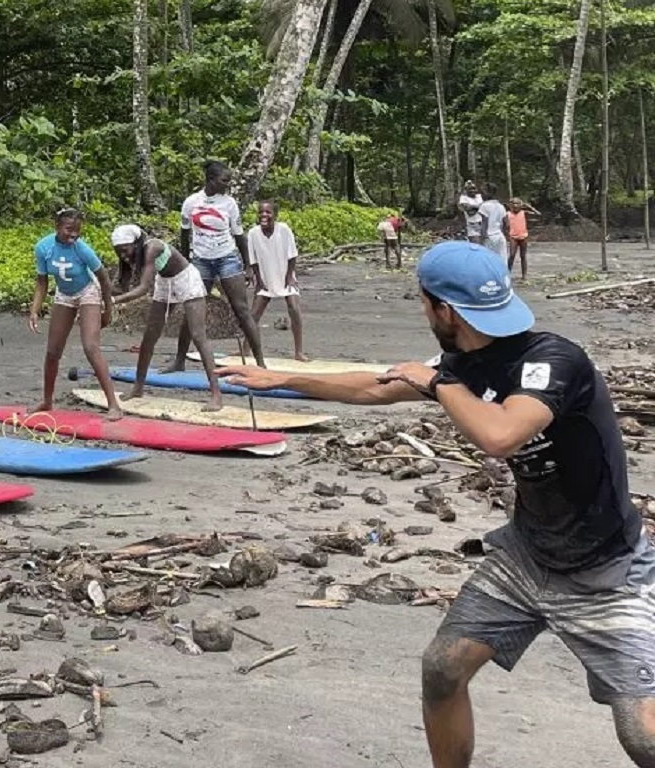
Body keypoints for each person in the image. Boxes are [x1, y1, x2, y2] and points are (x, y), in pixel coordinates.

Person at [216, 241, 655, 768]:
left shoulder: (554, 360)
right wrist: (283, 378)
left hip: (604, 572)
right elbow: (377, 388)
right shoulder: (463, 363)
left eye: (424, 303)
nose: (424, 312)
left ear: (442, 309)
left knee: (642, 737)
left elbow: (500, 435)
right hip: (527, 556)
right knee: (442, 669)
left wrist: (439, 382)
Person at [108, 223, 223, 410]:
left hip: (186, 279)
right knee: (149, 337)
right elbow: (122, 287)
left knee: (198, 335)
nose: (123, 255)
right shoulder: (129, 255)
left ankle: (216, 395)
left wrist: (113, 301)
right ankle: (138, 387)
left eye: (125, 250)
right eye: (118, 251)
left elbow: (143, 288)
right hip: (164, 282)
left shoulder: (152, 247)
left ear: (136, 244)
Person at [29, 207, 124, 420]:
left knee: (91, 347)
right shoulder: (43, 248)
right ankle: (47, 400)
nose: (73, 234)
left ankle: (113, 405)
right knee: (53, 351)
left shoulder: (82, 249)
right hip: (64, 294)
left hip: (87, 291)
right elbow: (42, 282)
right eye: (68, 229)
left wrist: (107, 309)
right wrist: (35, 310)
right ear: (57, 227)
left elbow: (104, 278)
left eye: (77, 230)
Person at [175, 159, 266, 371]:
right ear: (211, 180)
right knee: (192, 309)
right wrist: (187, 260)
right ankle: (179, 360)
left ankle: (260, 361)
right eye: (224, 180)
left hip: (227, 258)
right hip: (200, 261)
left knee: (241, 309)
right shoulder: (191, 202)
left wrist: (249, 266)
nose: (227, 185)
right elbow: (184, 232)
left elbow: (239, 236)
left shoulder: (229, 203)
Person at [246, 201, 308, 362]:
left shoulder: (284, 230)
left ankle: (299, 352)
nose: (264, 215)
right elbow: (253, 261)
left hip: (285, 275)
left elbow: (292, 255)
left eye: (268, 212)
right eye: (261, 212)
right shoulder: (253, 233)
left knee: (294, 308)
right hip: (265, 278)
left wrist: (289, 277)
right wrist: (258, 281)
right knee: (254, 315)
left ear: (275, 215)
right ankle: (246, 349)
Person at [506, 197, 538, 281]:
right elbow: (504, 224)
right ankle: (507, 273)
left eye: (517, 203)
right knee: (512, 255)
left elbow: (538, 214)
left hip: (523, 237)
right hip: (513, 237)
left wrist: (529, 207)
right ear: (510, 205)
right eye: (513, 204)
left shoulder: (524, 213)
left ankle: (524, 275)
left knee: (523, 256)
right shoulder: (508, 214)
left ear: (521, 205)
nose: (515, 205)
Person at [477, 182, 509, 262]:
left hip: (489, 236)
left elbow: (484, 223)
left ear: (488, 193)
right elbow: (507, 224)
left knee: (488, 260)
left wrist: (482, 237)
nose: (481, 195)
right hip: (499, 236)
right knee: (502, 259)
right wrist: (504, 232)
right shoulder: (501, 206)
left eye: (482, 192)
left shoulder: (484, 206)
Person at [458, 180, 484, 244]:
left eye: (474, 188)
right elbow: (470, 212)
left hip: (483, 224)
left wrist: (473, 207)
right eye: (470, 189)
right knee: (476, 245)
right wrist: (480, 206)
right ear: (466, 190)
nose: (472, 191)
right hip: (472, 225)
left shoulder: (480, 196)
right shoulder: (463, 198)